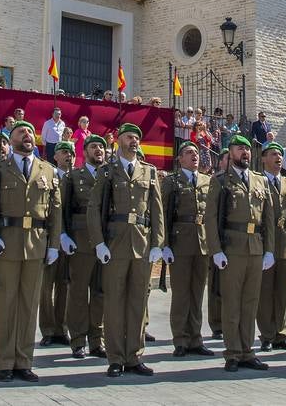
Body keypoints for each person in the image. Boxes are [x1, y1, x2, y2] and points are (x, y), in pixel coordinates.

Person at [0, 121, 61, 383]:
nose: (27, 135)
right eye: (21, 132)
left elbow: (55, 210)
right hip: (7, 243)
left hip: (36, 244)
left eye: (30, 132)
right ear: (10, 140)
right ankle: (5, 363)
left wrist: (54, 244)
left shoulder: (47, 169)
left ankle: (24, 360)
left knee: (29, 305)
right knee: (5, 305)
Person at [88, 122, 164, 378]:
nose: (134, 141)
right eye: (130, 136)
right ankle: (115, 357)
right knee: (114, 302)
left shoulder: (149, 172)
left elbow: (157, 211)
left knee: (137, 303)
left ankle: (135, 356)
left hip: (142, 244)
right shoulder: (108, 172)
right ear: (119, 140)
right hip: (115, 243)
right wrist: (98, 242)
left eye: (137, 138)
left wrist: (158, 244)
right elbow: (94, 208)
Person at [203, 134, 274, 372]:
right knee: (232, 302)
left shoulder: (260, 181)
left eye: (247, 149)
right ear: (230, 153)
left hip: (255, 247)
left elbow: (269, 219)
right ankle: (232, 352)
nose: (244, 153)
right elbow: (210, 218)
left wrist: (269, 250)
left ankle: (248, 351)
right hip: (232, 247)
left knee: (250, 303)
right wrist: (216, 250)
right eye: (239, 149)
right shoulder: (221, 180)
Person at [160, 140, 213, 358]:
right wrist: (164, 245)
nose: (194, 156)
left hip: (202, 242)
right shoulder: (172, 182)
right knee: (181, 293)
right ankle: (180, 339)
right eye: (189, 153)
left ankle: (196, 338)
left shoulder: (207, 181)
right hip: (180, 243)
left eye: (196, 153)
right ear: (180, 158)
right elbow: (163, 213)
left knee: (197, 293)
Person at [60, 133, 108, 359]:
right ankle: (78, 340)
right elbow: (63, 208)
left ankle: (97, 340)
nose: (99, 150)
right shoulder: (73, 176)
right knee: (78, 292)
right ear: (85, 151)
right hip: (81, 241)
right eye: (94, 147)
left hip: (107, 242)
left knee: (101, 292)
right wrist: (63, 235)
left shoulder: (110, 175)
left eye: (102, 147)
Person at [257, 141, 286, 352]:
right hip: (264, 243)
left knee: (282, 291)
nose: (278, 158)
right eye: (273, 154)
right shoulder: (257, 181)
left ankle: (281, 334)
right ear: (263, 158)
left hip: (285, 242)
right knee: (265, 291)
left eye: (280, 154)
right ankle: (266, 334)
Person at [37, 142, 74, 347]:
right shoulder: (49, 175)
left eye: (72, 153)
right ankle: (48, 329)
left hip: (70, 242)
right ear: (56, 156)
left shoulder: (76, 178)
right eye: (65, 152)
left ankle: (62, 328)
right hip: (51, 239)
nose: (69, 156)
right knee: (46, 287)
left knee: (64, 286)